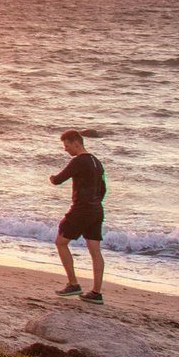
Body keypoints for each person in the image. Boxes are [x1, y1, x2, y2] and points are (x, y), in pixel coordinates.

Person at [50, 130, 106, 304]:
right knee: (95, 251)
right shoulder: (96, 162)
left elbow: (59, 179)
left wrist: (51, 178)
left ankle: (73, 283)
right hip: (97, 209)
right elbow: (103, 188)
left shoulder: (79, 161)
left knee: (60, 242)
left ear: (76, 143)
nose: (66, 150)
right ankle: (96, 292)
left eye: (67, 146)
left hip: (81, 209)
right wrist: (94, 201)